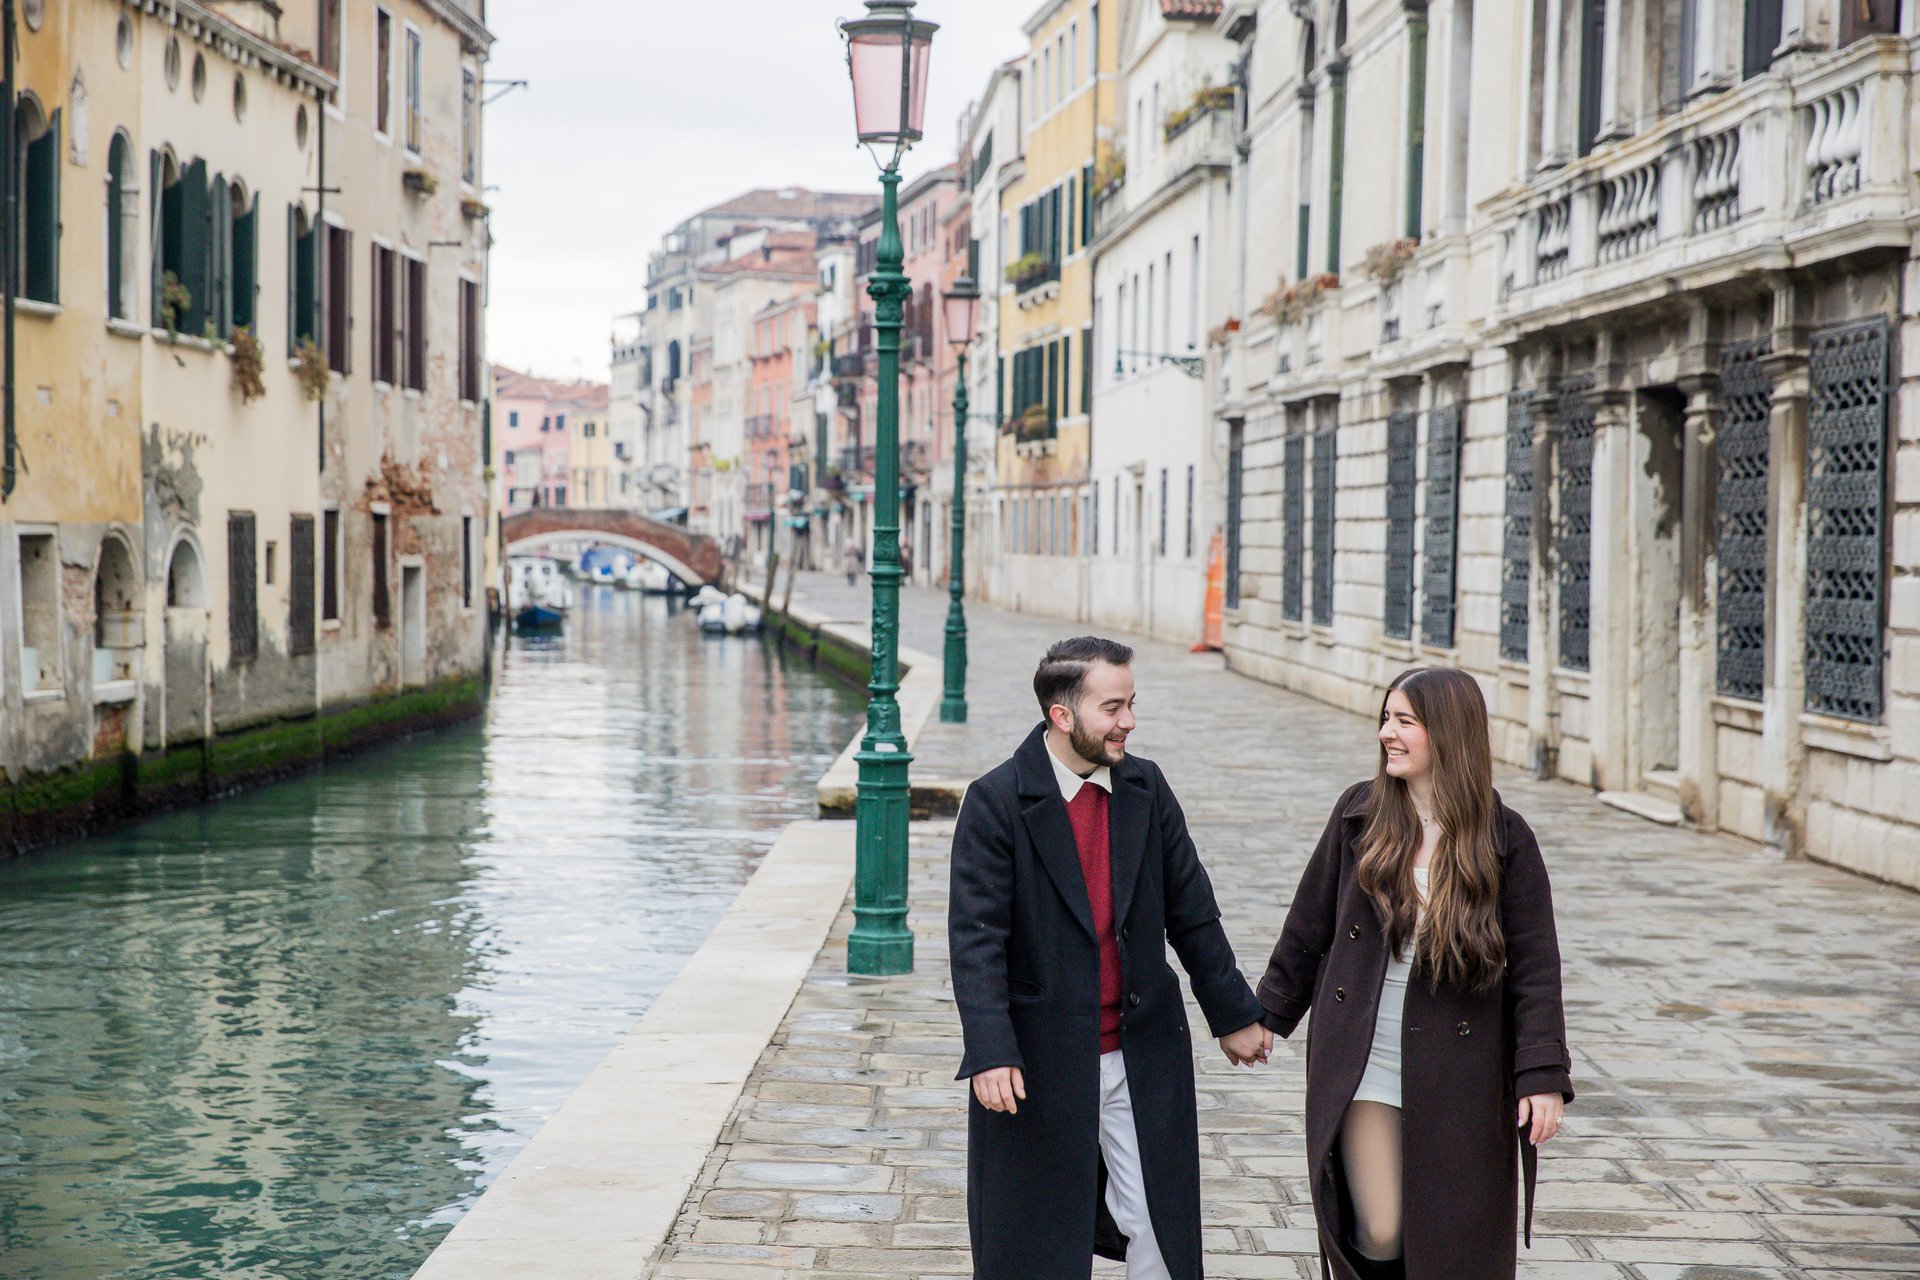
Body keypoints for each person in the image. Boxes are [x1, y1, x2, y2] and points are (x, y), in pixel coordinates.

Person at [949, 637, 1272, 1280]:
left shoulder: (1146, 788)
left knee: (1157, 1222)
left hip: (1142, 1047)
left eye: (1131, 705)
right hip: (1039, 1062)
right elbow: (977, 939)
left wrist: (1233, 1012)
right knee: (1035, 1238)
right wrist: (990, 1050)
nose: (1128, 721)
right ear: (1063, 716)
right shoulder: (996, 802)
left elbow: (1192, 910)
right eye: (1113, 707)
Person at [1255, 667, 1573, 1280]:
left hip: (1463, 1072)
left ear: (1448, 734)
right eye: (1385, 719)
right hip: (1363, 1055)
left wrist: (1542, 1075)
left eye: (1404, 722)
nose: (1386, 734)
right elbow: (1308, 926)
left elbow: (1536, 969)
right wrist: (1266, 1015)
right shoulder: (1360, 815)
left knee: (1450, 1238)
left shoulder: (1505, 840)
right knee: (1379, 1227)